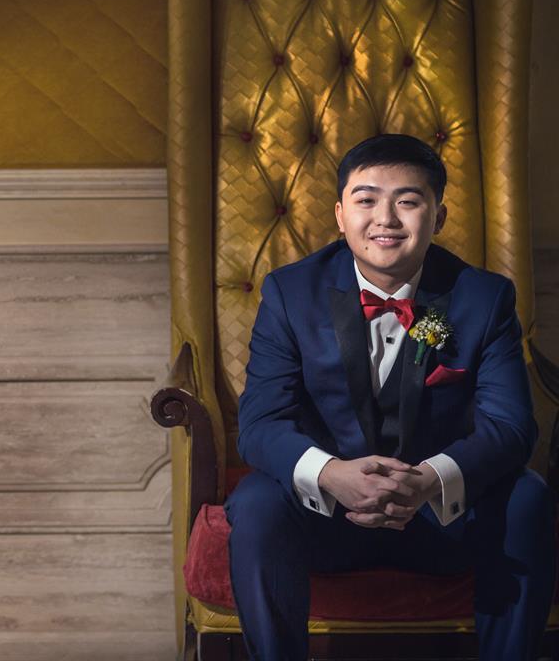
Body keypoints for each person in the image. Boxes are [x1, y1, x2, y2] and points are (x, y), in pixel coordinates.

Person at [227, 134, 555, 659]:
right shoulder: (290, 293)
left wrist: (427, 480)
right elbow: (261, 424)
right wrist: (333, 475)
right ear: (340, 215)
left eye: (407, 201)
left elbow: (512, 427)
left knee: (527, 496)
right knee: (255, 502)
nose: (386, 219)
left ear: (438, 217)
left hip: (440, 517)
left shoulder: (484, 297)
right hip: (327, 516)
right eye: (366, 200)